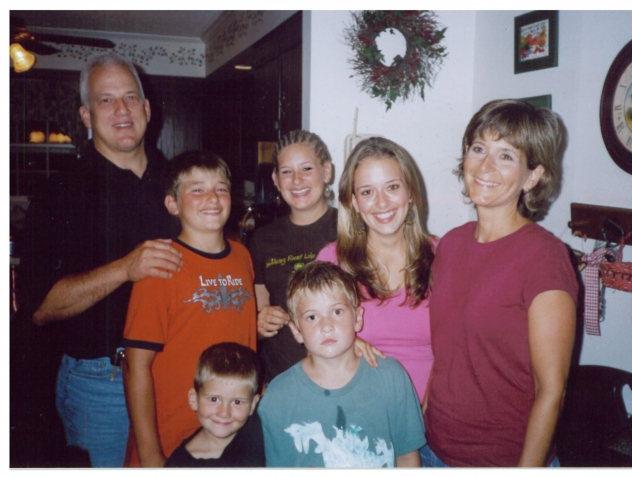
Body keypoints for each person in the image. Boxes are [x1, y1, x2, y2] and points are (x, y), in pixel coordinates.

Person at [20, 53, 182, 467]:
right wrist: (126, 269)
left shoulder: (182, 184)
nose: (122, 110)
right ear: (87, 115)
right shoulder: (60, 192)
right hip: (101, 383)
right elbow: (39, 308)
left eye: (130, 97)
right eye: (106, 100)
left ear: (147, 109)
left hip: (176, 371)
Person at [424, 99, 579, 467]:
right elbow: (446, 356)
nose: (484, 166)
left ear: (532, 176)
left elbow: (551, 391)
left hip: (503, 461)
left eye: (506, 156)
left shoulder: (545, 257)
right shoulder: (451, 243)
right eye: (478, 149)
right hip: (433, 451)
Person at [122, 150, 257, 467]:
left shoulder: (242, 256)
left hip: (232, 434)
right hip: (171, 439)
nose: (212, 197)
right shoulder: (160, 264)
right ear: (173, 203)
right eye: (197, 189)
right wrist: (150, 454)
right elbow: (135, 366)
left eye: (221, 188)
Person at [258, 261, 425, 468]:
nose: (326, 326)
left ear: (358, 318)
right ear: (296, 331)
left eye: (337, 312)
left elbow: (408, 458)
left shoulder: (392, 377)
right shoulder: (277, 397)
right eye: (312, 317)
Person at [317, 137, 436, 402]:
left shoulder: (444, 256)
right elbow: (309, 339)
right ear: (355, 203)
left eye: (392, 187)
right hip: (356, 417)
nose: (382, 203)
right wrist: (341, 346)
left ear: (411, 193)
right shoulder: (331, 261)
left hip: (432, 422)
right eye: (367, 192)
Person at [249, 130, 337, 383]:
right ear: (276, 179)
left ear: (327, 172)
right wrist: (260, 324)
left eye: (307, 169)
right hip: (280, 379)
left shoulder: (351, 229)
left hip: (338, 374)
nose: (296, 180)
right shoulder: (262, 240)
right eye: (287, 171)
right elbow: (257, 315)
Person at [164, 342, 265, 467]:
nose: (224, 413)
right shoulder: (179, 465)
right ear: (194, 399)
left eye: (237, 402)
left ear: (253, 404)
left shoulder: (260, 430)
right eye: (213, 399)